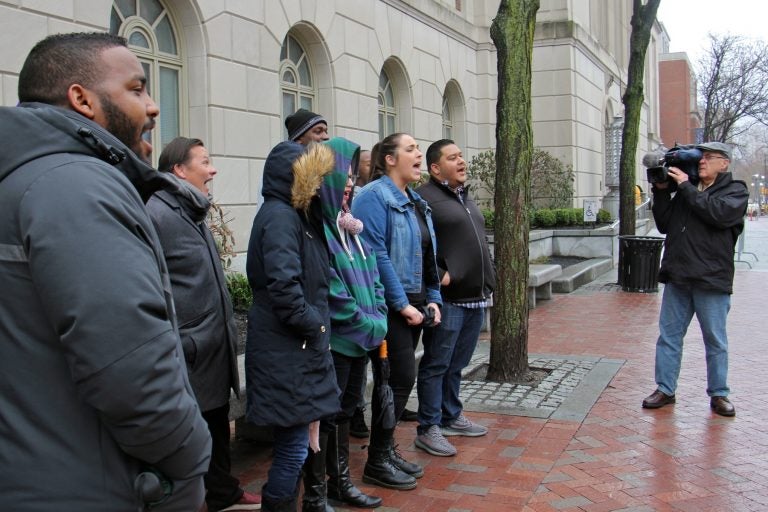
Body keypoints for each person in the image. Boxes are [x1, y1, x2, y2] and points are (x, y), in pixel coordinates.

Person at [0, 33, 211, 510]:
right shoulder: (76, 185)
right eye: (137, 89)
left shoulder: (28, 179)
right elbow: (129, 366)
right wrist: (190, 460)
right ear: (82, 99)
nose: (153, 106)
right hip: (91, 485)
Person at [147, 137, 262, 511]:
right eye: (205, 162)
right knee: (196, 430)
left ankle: (222, 492)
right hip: (190, 352)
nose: (212, 170)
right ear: (179, 169)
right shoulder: (159, 213)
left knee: (214, 422)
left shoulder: (189, 209)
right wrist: (181, 341)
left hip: (209, 348)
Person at [245, 141, 341, 511]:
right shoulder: (281, 217)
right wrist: (315, 327)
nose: (318, 186)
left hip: (293, 350)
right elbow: (284, 288)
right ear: (294, 177)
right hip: (287, 350)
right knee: (292, 448)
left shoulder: (297, 216)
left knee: (297, 445)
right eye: (311, 178)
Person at [352, 133, 442, 490]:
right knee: (396, 378)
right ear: (389, 159)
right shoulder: (373, 197)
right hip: (389, 306)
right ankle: (376, 459)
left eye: (418, 149)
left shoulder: (417, 201)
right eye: (410, 149)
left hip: (417, 304)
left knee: (402, 380)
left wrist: (433, 297)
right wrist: (401, 304)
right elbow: (375, 253)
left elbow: (430, 254)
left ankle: (385, 450)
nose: (418, 154)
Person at [642, 141, 748, 417]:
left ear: (724, 163)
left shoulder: (735, 191)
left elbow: (717, 214)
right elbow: (665, 224)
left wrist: (686, 187)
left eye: (709, 157)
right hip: (678, 276)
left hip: (711, 280)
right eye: (700, 157)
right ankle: (665, 389)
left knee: (715, 339)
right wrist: (663, 190)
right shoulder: (686, 192)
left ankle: (719, 394)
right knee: (669, 337)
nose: (701, 161)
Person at [312, 137, 386, 509]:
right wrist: (371, 326)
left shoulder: (351, 230)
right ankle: (328, 485)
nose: (351, 184)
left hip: (362, 341)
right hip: (340, 344)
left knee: (348, 409)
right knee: (332, 415)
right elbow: (334, 293)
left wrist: (379, 319)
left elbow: (374, 279)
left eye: (354, 176)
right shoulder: (322, 233)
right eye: (345, 176)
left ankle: (341, 482)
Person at [414, 139, 496, 457]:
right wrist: (438, 274)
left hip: (475, 298)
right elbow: (415, 244)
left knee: (457, 364)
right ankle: (428, 427)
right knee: (437, 363)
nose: (462, 161)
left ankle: (451, 415)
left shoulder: (464, 197)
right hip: (447, 300)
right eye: (453, 157)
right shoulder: (424, 198)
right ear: (435, 168)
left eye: (462, 155)